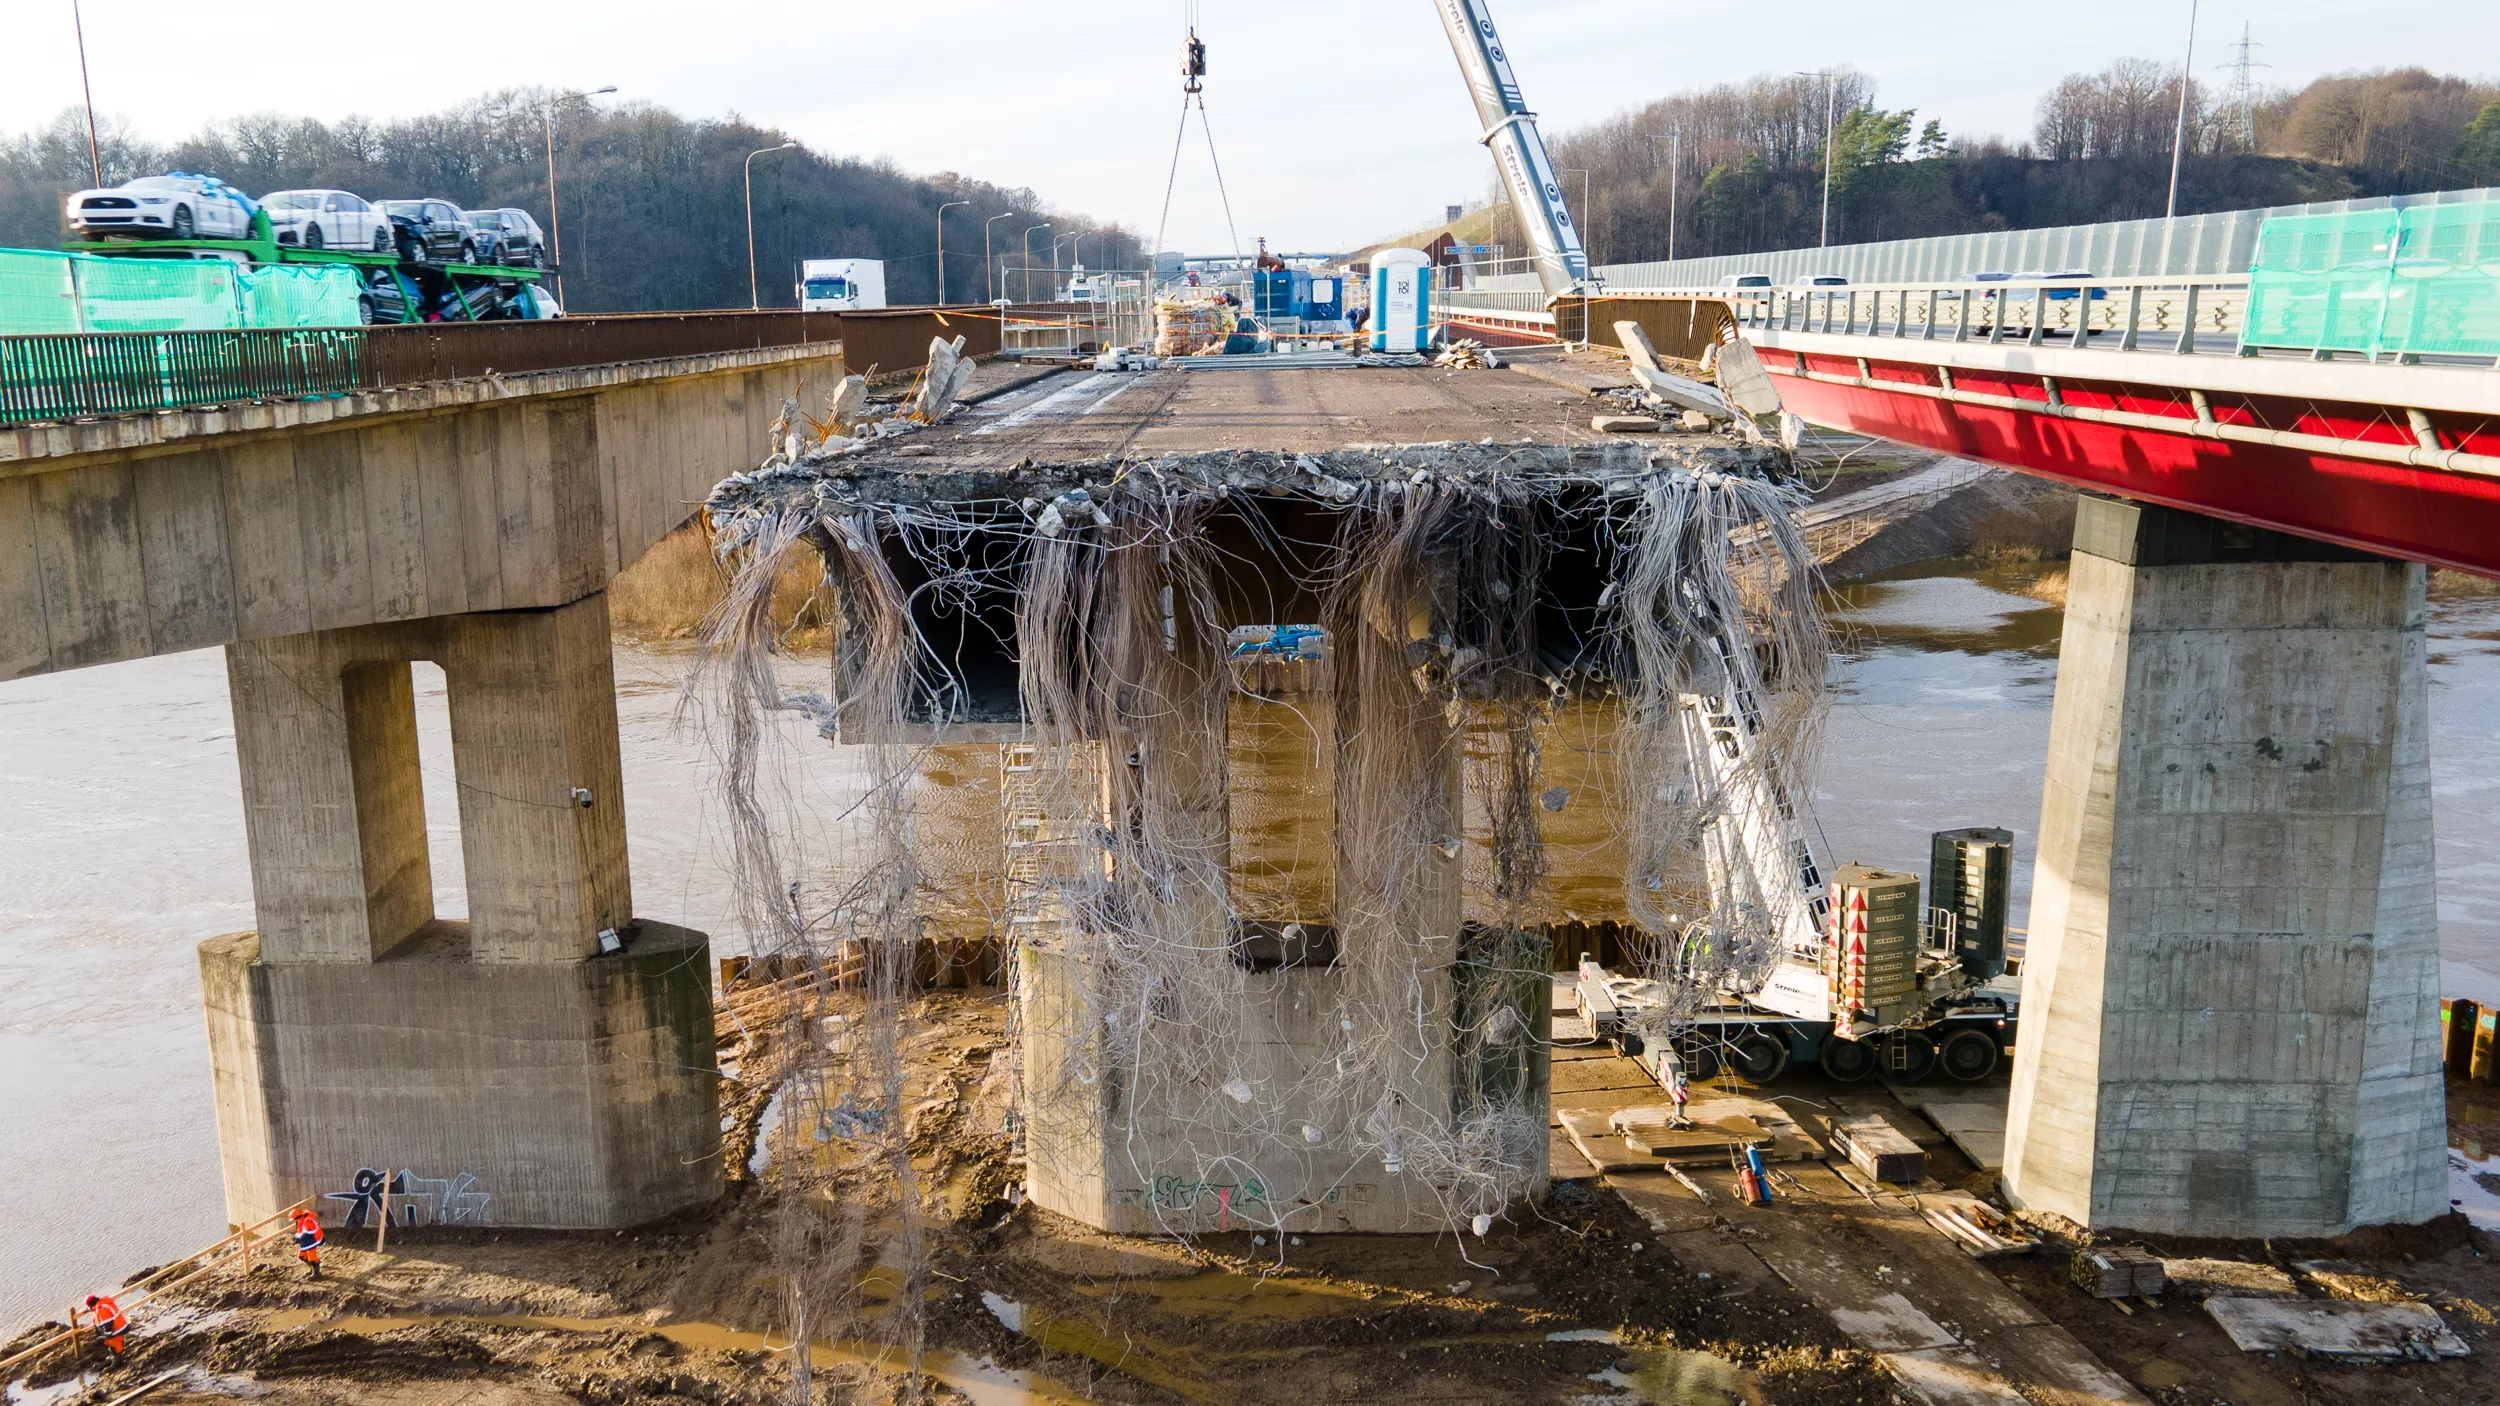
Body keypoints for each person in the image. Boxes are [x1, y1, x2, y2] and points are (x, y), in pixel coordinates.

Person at [83, 1293, 128, 1358]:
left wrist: (107, 1335)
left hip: (116, 1329)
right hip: (120, 1324)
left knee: (113, 1344)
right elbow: (94, 1308)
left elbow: (108, 1324)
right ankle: (118, 1356)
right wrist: (88, 1310)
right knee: (116, 1342)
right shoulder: (103, 1303)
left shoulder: (101, 1310)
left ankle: (117, 1359)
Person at [291, 1208, 325, 1279]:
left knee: (312, 1257)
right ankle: (312, 1268)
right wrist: (296, 1238)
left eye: (294, 1219)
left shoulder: (308, 1221)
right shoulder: (300, 1221)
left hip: (313, 1240)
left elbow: (307, 1233)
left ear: (298, 1217)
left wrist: (298, 1238)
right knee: (301, 1255)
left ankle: (316, 1273)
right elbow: (300, 1232)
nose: (294, 1221)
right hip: (307, 1241)